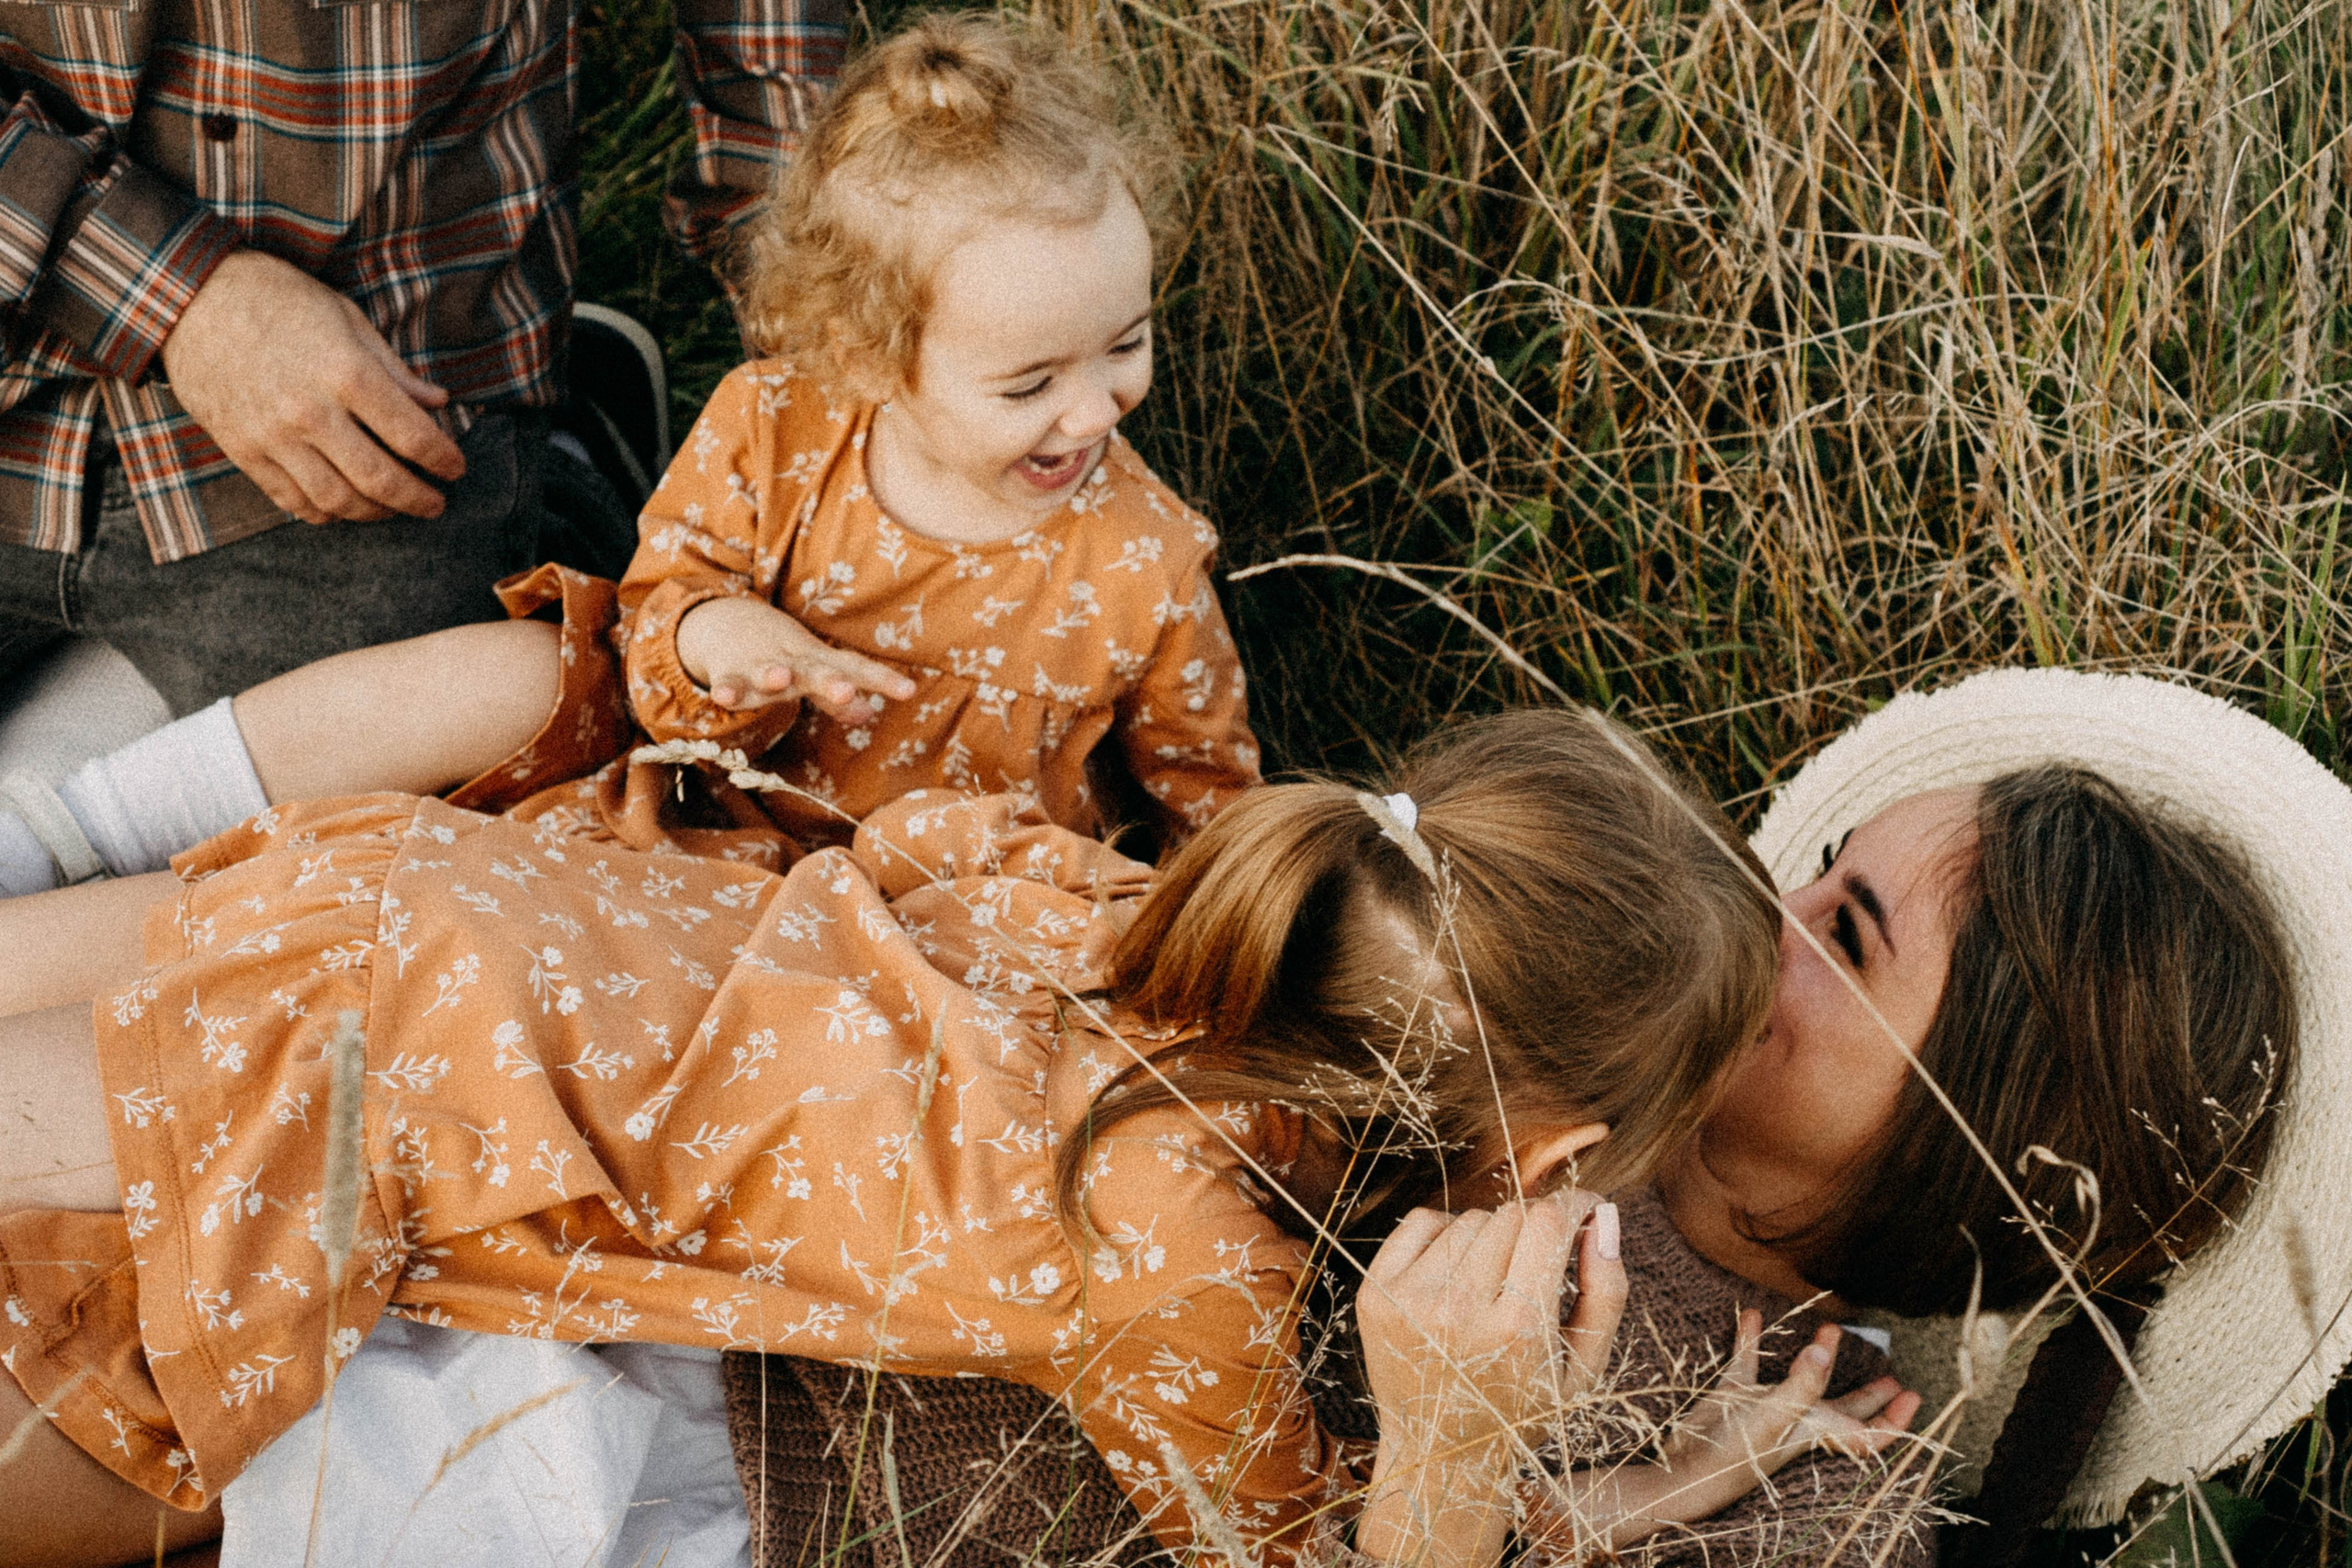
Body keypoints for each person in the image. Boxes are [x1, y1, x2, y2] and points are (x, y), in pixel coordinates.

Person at [0, 708, 1912, 1568]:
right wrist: (1530, 1463)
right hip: (338, 1133)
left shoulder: (1095, 892)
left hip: (419, 902)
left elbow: (900, 846)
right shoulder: (1178, 1259)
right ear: (1552, 1150)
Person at [709, 669, 2335, 1568]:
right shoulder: (1550, 997)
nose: (1763, 901)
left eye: (1845, 932)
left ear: (1981, 1132)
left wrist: (1449, 1463)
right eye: (1821, 861)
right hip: (724, 1243)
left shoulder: (1822, 1505)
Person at [0, 14, 1258, 898]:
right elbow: (669, 625)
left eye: (1126, 348)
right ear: (869, 357)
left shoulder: (1144, 560)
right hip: (723, 850)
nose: (1095, 413)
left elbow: (1208, 800)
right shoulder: (779, 431)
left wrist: (1220, 920)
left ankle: (570, 464)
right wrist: (719, 640)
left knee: (377, 843)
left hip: (955, 916)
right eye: (1031, 380)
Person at [0, 0, 838, 716]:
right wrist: (180, 299)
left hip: (384, 405)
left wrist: (839, 338)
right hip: (17, 380)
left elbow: (772, 52)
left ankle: (572, 497)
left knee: (374, 873)